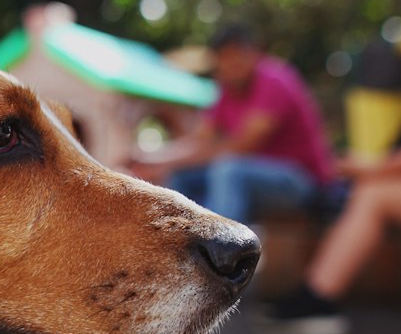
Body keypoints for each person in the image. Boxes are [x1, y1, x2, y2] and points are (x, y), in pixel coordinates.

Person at [254, 0, 401, 334]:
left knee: (376, 192)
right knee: (375, 190)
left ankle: (317, 298)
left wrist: (374, 166)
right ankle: (315, 296)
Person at [131, 21, 335, 226]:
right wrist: (153, 159)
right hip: (254, 174)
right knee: (182, 176)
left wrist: (162, 160)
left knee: (229, 170)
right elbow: (200, 140)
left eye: (235, 57)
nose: (230, 65)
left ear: (253, 53)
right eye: (224, 59)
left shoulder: (275, 80)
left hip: (304, 183)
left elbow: (241, 147)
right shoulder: (227, 91)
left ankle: (219, 245)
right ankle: (176, 241)